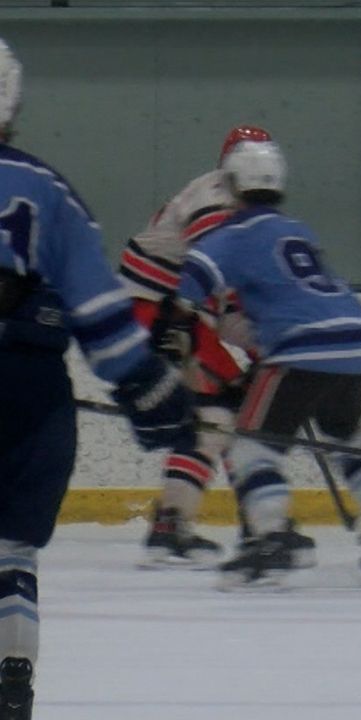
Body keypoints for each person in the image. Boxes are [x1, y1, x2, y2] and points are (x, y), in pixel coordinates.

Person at [0, 37, 196, 720]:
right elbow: (101, 315)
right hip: (27, 390)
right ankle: (12, 669)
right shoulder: (50, 192)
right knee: (12, 549)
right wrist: (152, 394)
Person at [163, 138, 361, 589]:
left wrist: (167, 350)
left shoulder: (226, 236)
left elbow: (188, 291)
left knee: (252, 448)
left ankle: (270, 539)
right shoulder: (298, 231)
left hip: (299, 349)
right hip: (356, 341)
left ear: (232, 185)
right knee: (347, 440)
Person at [119, 124, 271, 567]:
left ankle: (184, 522)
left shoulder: (228, 200)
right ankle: (244, 521)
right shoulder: (217, 200)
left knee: (217, 417)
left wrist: (262, 350)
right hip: (159, 313)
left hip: (168, 313)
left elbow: (220, 304)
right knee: (220, 412)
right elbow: (219, 280)